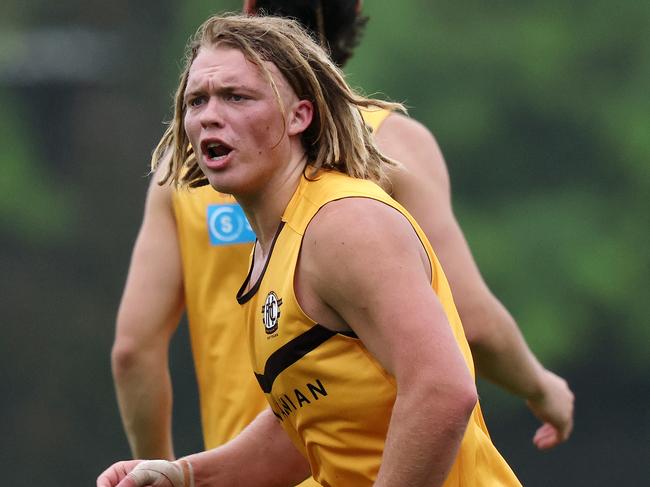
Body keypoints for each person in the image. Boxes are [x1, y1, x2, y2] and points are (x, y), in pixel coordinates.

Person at [111, 0, 573, 468]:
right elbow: (312, 417)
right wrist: (179, 477)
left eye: (237, 95)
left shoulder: (340, 215)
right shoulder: (266, 221)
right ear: (350, 20)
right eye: (197, 101)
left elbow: (134, 350)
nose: (211, 115)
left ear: (300, 115)